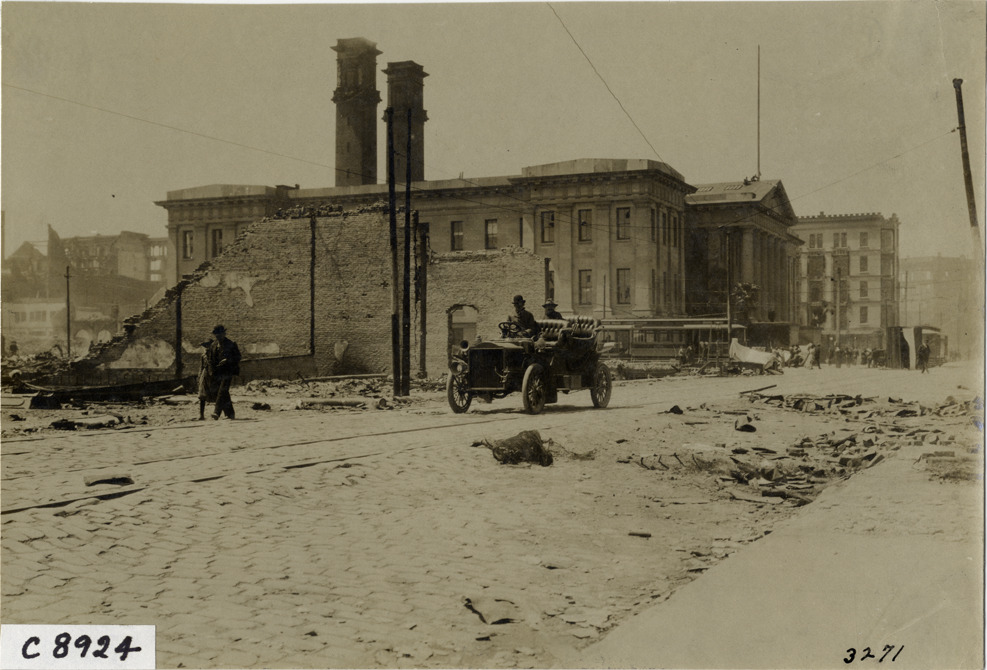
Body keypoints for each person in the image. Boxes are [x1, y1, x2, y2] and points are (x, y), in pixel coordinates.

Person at [207, 325, 241, 420]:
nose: (218, 337)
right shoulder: (213, 345)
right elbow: (210, 359)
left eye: (220, 335)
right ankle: (230, 414)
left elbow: (238, 357)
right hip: (217, 372)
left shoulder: (231, 344)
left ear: (224, 334)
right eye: (216, 335)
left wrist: (227, 360)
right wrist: (211, 371)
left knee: (222, 390)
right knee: (223, 392)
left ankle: (216, 412)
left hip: (227, 371)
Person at [196, 340, 217, 420]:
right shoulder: (203, 356)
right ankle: (201, 415)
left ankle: (217, 413)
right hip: (205, 375)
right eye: (205, 346)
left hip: (213, 376)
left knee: (217, 394)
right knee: (202, 395)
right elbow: (201, 367)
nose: (207, 348)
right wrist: (199, 376)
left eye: (208, 346)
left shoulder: (215, 354)